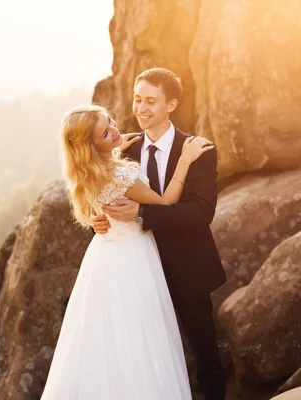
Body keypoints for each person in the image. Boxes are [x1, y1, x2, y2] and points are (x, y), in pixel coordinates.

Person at [41, 103, 213, 399]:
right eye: (107, 133)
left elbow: (100, 211)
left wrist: (116, 143)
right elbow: (166, 202)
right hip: (133, 258)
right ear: (91, 146)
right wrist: (184, 161)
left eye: (111, 122)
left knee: (108, 337)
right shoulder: (122, 175)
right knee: (141, 334)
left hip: (103, 259)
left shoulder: (86, 175)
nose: (116, 131)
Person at [91, 67, 227, 400]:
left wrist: (142, 213)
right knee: (146, 355)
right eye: (138, 99)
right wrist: (97, 223)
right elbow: (103, 198)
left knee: (205, 353)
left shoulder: (198, 151)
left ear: (172, 104)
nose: (141, 108)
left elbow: (201, 212)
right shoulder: (124, 151)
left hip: (188, 269)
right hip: (138, 273)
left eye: (151, 101)